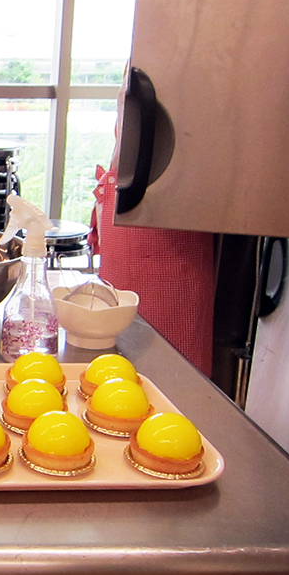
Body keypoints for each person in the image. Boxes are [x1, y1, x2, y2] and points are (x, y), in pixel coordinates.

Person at [89, 70, 216, 375]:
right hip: (136, 203)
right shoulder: (152, 53)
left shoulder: (182, 58)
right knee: (120, 366)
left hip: (170, 217)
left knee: (174, 376)